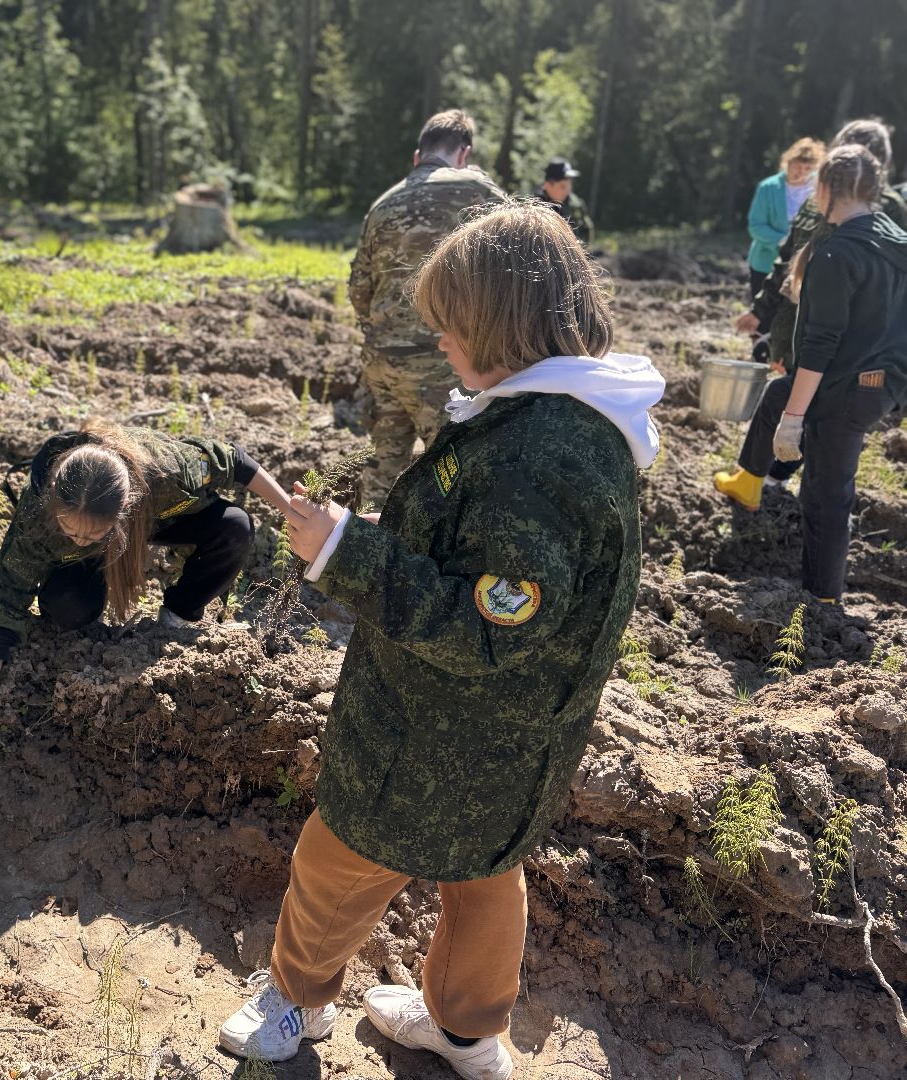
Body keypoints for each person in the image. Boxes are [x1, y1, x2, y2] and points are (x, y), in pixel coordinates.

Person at [217, 202, 662, 1076]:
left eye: (452, 324)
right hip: (516, 738)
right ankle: (464, 1030)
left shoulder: (537, 457)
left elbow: (487, 626)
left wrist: (346, 554)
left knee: (339, 856)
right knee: (487, 871)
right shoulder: (567, 419)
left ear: (503, 323)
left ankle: (297, 1002)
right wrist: (378, 535)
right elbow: (496, 571)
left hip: (436, 730)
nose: (440, 342)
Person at [0, 423, 294, 787]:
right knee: (68, 605)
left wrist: (293, 512)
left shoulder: (170, 471)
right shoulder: (39, 519)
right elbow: (4, 611)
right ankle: (85, 612)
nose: (79, 539)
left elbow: (235, 461)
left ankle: (178, 615)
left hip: (153, 513)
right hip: (100, 540)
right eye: (72, 531)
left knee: (234, 526)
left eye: (91, 533)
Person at [713, 145, 906, 603]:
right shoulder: (895, 237)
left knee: (824, 494)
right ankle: (748, 480)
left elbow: (820, 345)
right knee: (778, 392)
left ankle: (822, 601)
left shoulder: (837, 254)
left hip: (846, 391)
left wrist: (795, 419)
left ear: (825, 188)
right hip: (883, 383)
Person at [348, 109, 507, 508]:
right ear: (463, 153)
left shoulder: (382, 204)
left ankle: (365, 537)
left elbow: (359, 289)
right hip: (445, 361)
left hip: (382, 360)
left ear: (418, 157)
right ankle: (443, 543)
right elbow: (515, 270)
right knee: (455, 469)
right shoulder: (479, 192)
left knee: (384, 466)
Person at [737, 118, 907, 369]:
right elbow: (790, 258)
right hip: (834, 344)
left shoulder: (822, 197)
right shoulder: (877, 203)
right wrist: (760, 312)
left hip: (820, 338)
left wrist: (761, 311)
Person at [746, 138, 825, 304]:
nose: (801, 172)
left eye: (807, 168)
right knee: (763, 312)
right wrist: (782, 243)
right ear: (788, 163)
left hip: (805, 265)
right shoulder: (768, 187)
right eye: (797, 167)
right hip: (767, 262)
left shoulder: (819, 189)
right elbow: (756, 225)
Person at [534, 158, 594, 244]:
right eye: (562, 187)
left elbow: (587, 229)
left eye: (569, 185)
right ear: (547, 185)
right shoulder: (534, 207)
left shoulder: (576, 204)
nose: (567, 191)